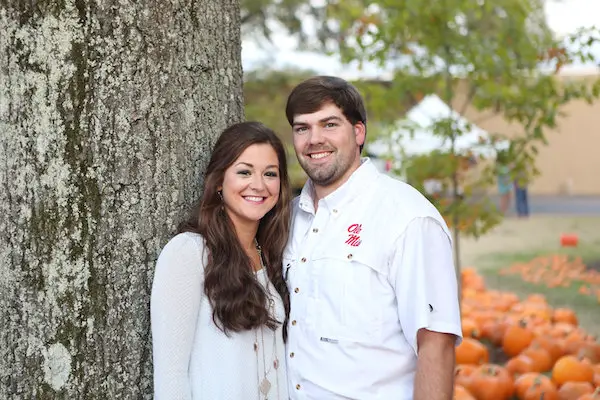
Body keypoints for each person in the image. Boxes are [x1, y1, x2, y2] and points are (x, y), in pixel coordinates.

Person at [283, 76, 462, 399]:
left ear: (358, 131)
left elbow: (436, 343)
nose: (314, 139)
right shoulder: (287, 218)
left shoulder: (407, 218)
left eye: (329, 124)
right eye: (302, 128)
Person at [150, 121, 292, 399]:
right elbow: (171, 376)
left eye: (270, 174)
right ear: (218, 181)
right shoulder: (190, 253)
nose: (259, 185)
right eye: (244, 172)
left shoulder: (271, 255)